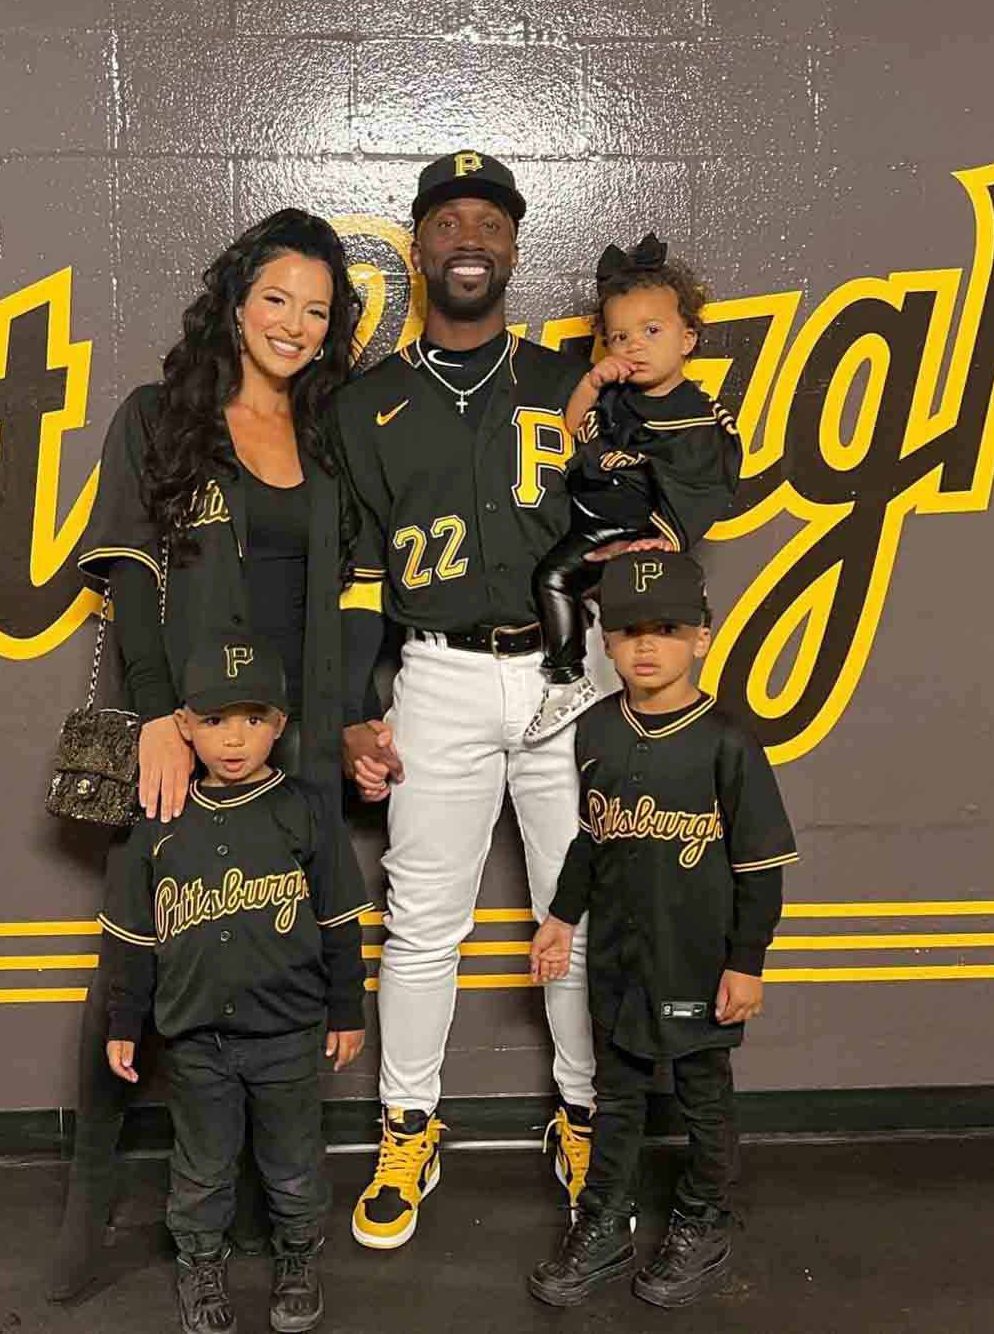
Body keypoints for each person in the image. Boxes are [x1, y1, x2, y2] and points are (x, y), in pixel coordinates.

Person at [48, 210, 378, 1301]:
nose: (295, 322)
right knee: (148, 944)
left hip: (293, 743)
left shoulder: (334, 439)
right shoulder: (161, 419)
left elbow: (355, 597)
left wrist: (348, 720)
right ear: (236, 302)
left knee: (289, 948)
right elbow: (135, 575)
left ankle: (284, 1228)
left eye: (318, 309)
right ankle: (87, 1219)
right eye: (277, 297)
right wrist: (156, 712)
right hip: (193, 729)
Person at [335, 151, 642, 1250]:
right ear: (417, 246)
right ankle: (406, 1125)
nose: (469, 234)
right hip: (438, 670)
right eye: (447, 219)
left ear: (515, 244)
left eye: (490, 219)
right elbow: (357, 581)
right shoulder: (365, 403)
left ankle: (584, 1117)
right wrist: (353, 708)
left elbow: (644, 520)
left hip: (571, 666)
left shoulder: (574, 377)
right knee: (421, 920)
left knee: (585, 906)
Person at [527, 551, 798, 1310]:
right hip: (619, 955)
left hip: (698, 959)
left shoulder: (727, 742)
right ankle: (606, 1221)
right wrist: (559, 917)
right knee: (616, 1097)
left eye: (668, 629)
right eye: (630, 630)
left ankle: (705, 1219)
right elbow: (590, 840)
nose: (648, 646)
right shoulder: (597, 736)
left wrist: (747, 962)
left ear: (702, 637)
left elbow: (762, 865)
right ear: (605, 642)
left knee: (704, 1095)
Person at [100, 635, 372, 1334]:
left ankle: (298, 1256)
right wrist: (125, 1020)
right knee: (202, 1170)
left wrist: (347, 1009)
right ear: (185, 724)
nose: (234, 737)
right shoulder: (159, 818)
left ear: (279, 725)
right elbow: (132, 937)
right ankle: (200, 1260)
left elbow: (339, 921)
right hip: (196, 1039)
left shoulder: (305, 808)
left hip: (288, 1030)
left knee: (291, 1164)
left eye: (253, 718)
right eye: (216, 719)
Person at [524, 235, 742, 745]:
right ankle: (569, 680)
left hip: (643, 536)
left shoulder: (699, 417)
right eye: (620, 338)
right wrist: (591, 384)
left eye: (651, 330)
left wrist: (662, 539)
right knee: (552, 577)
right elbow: (566, 433)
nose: (634, 346)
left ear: (687, 339)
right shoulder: (617, 399)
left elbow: (706, 485)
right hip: (594, 522)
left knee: (639, 637)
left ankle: (581, 689)